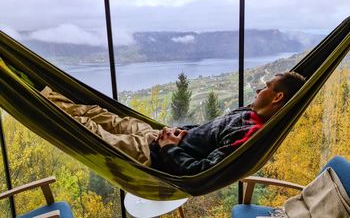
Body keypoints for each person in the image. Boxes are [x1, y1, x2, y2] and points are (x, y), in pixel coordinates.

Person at [41, 71, 305, 175]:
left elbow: (201, 171)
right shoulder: (249, 113)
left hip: (151, 155)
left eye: (266, 87)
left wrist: (168, 147)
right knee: (101, 114)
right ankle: (42, 95)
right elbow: (205, 135)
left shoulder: (249, 133)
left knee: (88, 130)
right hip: (159, 136)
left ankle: (39, 106)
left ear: (278, 97)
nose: (259, 90)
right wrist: (179, 133)